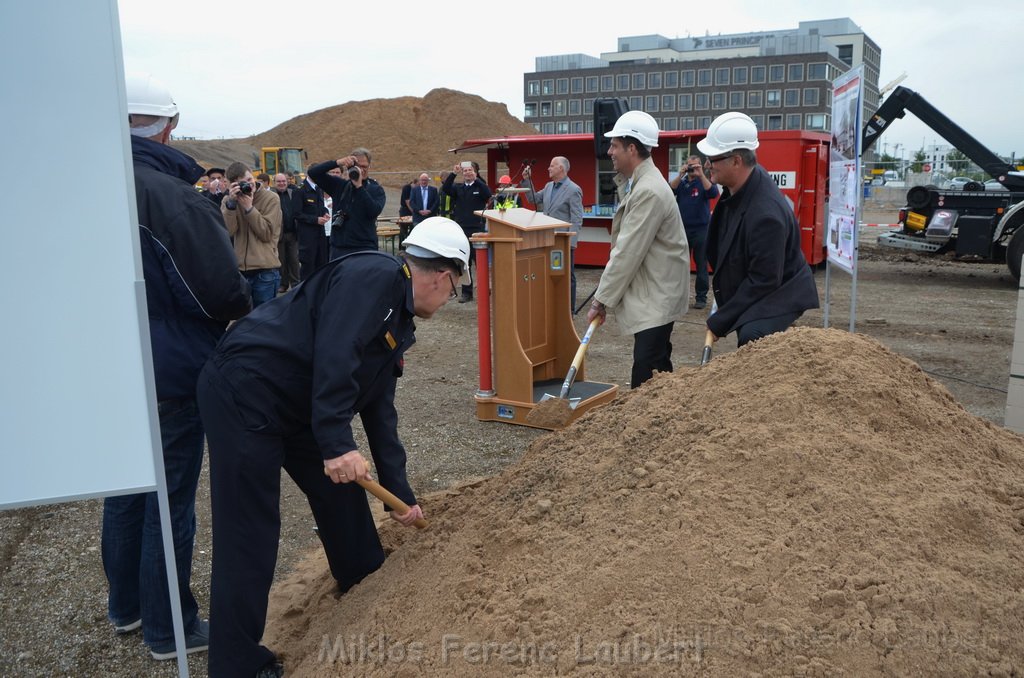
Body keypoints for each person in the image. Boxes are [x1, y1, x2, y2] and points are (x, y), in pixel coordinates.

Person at [197, 217, 470, 678]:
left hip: (299, 405)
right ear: (444, 276)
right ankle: (237, 665)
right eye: (454, 290)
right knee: (250, 528)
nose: (448, 301)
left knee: (343, 490)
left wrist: (401, 496)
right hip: (248, 391)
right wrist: (337, 443)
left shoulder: (398, 318)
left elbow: (380, 410)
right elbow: (335, 354)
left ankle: (363, 577)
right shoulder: (373, 278)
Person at [102, 72, 250, 662]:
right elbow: (219, 292)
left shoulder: (85, 186)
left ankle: (126, 607)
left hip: (109, 365)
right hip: (169, 372)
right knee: (169, 502)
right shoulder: (170, 197)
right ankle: (170, 628)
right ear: (167, 127)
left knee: (124, 494)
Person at [586, 110, 689, 388]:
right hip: (655, 292)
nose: (609, 151)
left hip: (658, 295)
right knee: (655, 367)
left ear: (632, 148)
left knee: (647, 370)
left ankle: (653, 426)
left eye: (614, 145)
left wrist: (601, 300)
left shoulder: (649, 191)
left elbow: (628, 252)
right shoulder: (641, 184)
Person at [699, 112, 819, 347]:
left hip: (783, 290)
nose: (706, 165)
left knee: (752, 336)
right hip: (765, 280)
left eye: (712, 159)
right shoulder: (741, 183)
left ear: (736, 161)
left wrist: (721, 319)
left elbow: (763, 280)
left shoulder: (766, 216)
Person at [522, 156, 584, 310]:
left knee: (567, 275)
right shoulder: (549, 186)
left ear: (561, 168)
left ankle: (569, 310)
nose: (548, 168)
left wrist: (572, 242)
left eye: (552, 166)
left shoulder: (573, 190)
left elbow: (576, 218)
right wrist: (527, 180)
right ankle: (551, 305)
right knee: (548, 272)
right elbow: (533, 199)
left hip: (563, 240)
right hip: (546, 238)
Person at [221, 162, 283, 307]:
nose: (249, 185)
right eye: (243, 183)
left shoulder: (271, 198)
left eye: (250, 180)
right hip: (241, 271)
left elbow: (267, 233)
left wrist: (249, 208)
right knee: (244, 321)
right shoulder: (229, 201)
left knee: (263, 322)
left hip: (265, 270)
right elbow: (228, 232)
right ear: (232, 185)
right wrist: (231, 205)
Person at [308, 148, 387, 259]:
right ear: (350, 167)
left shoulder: (376, 189)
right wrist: (338, 162)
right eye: (357, 167)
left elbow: (373, 212)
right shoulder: (340, 185)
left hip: (364, 248)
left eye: (364, 166)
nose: (361, 170)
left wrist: (359, 187)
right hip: (339, 248)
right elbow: (313, 172)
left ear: (370, 166)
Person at [669, 154, 720, 310]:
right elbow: (670, 189)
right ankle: (678, 297)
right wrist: (680, 175)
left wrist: (701, 174)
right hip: (683, 229)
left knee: (701, 265)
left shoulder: (703, 182)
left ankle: (701, 298)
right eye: (690, 166)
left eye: (695, 166)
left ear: (700, 166)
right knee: (680, 265)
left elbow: (713, 193)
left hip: (701, 230)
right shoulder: (683, 182)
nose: (692, 169)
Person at [441, 160, 491, 302]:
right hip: (462, 230)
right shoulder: (459, 188)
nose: (467, 173)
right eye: (465, 171)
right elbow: (445, 189)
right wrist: (453, 173)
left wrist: (477, 180)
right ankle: (466, 293)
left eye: (470, 170)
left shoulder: (480, 186)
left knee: (480, 262)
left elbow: (488, 195)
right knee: (464, 263)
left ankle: (484, 289)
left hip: (477, 229)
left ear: (475, 173)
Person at [294, 166, 330, 281]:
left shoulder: (318, 188)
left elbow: (321, 206)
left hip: (320, 235)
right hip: (307, 238)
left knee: (322, 266)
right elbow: (297, 214)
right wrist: (315, 220)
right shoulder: (300, 190)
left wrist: (325, 212)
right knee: (308, 270)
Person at [272, 173, 300, 292]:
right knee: (281, 260)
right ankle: (283, 284)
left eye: (283, 181)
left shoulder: (293, 193)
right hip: (278, 234)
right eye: (279, 181)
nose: (282, 183)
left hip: (293, 233)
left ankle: (296, 283)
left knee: (294, 259)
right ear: (274, 183)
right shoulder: (271, 196)